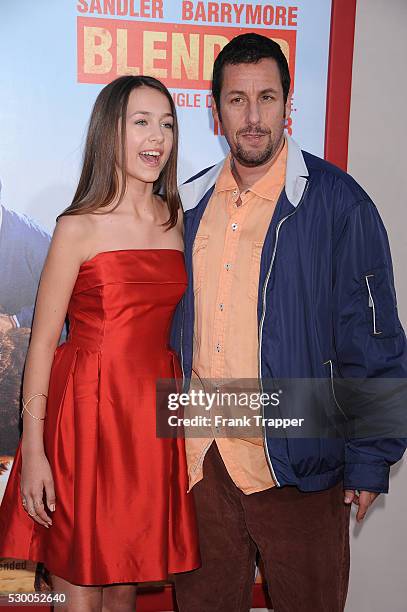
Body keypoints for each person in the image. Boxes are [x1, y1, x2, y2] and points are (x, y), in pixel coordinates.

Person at [170, 33, 407, 612]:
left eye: (267, 99)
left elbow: (373, 337)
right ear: (216, 110)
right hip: (202, 463)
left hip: (300, 462)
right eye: (237, 101)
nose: (253, 118)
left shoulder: (340, 204)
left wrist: (371, 456)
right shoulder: (187, 203)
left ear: (287, 104)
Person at [0, 75, 199, 611]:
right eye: (141, 122)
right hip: (84, 421)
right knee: (78, 594)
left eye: (166, 123)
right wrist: (36, 451)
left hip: (146, 426)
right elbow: (41, 345)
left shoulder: (176, 220)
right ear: (109, 131)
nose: (156, 137)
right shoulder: (77, 228)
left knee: (124, 592)